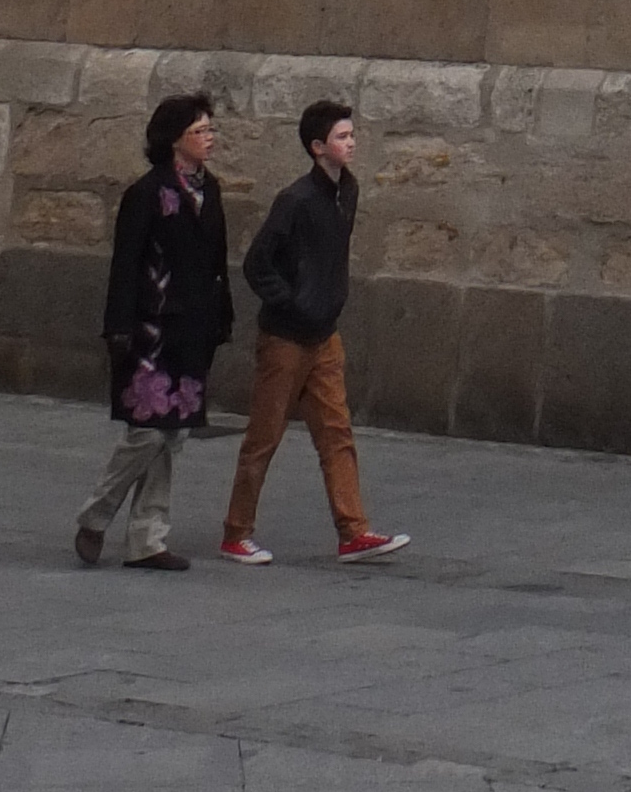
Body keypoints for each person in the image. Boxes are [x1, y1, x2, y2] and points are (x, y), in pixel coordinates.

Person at [218, 100, 408, 565]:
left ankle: (353, 531)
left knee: (336, 433)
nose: (352, 143)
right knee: (264, 436)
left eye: (351, 135)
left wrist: (323, 304)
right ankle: (235, 533)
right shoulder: (296, 200)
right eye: (342, 137)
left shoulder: (348, 192)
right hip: (285, 337)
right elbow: (258, 262)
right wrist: (292, 301)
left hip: (325, 335)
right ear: (317, 147)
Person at [75, 90, 232, 571]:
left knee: (173, 435)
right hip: (150, 330)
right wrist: (117, 327)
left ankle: (148, 538)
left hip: (193, 328)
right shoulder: (147, 194)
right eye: (199, 131)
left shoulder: (211, 190)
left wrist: (221, 316)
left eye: (210, 129)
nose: (209, 138)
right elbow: (125, 264)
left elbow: (216, 262)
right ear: (173, 140)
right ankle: (97, 513)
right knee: (147, 432)